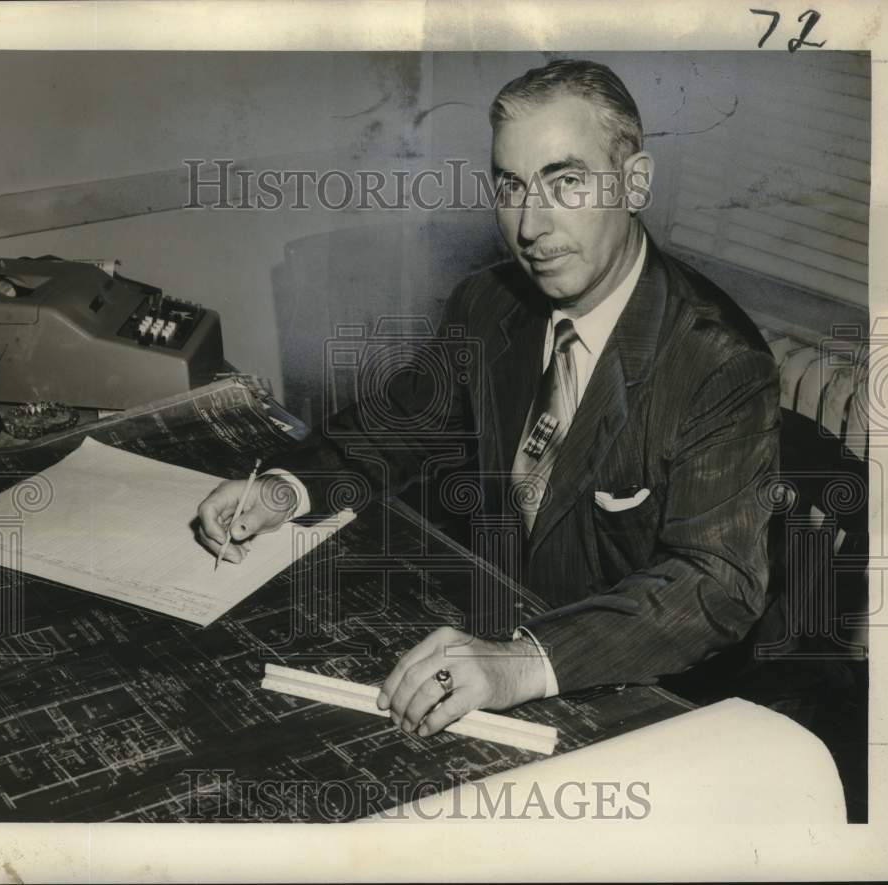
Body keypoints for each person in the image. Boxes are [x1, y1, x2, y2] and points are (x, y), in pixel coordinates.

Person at [197, 59, 780, 739]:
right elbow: (399, 425)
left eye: (566, 181)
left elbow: (714, 586)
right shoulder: (489, 303)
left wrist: (523, 661)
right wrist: (285, 489)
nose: (530, 225)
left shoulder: (719, 363)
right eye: (511, 187)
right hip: (484, 646)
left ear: (636, 183)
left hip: (635, 703)